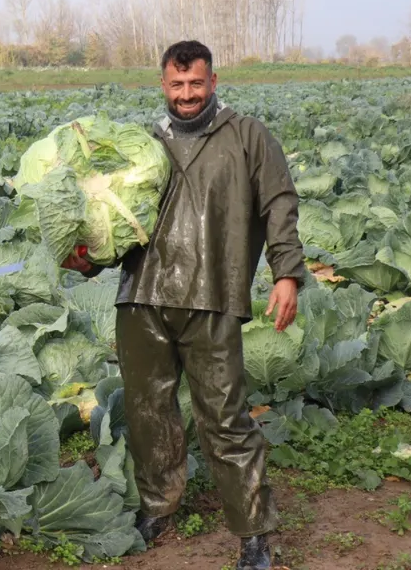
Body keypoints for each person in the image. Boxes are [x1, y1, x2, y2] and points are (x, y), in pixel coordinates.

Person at [63, 40, 304, 570]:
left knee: (224, 415)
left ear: (213, 82)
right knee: (148, 411)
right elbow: (116, 220)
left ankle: (254, 532)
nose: (187, 95)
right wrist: (88, 260)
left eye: (197, 84)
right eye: (177, 85)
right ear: (163, 85)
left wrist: (286, 273)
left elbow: (279, 202)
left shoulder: (247, 136)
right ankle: (158, 504)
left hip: (212, 294)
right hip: (142, 295)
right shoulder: (141, 145)